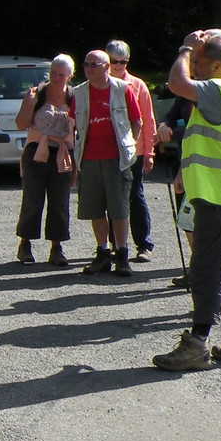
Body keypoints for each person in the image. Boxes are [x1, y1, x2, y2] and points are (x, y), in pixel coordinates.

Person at [152, 32, 221, 371]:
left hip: (219, 196)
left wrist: (184, 47)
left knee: (206, 268)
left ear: (216, 64)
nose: (192, 67)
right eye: (192, 60)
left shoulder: (219, 89)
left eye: (198, 62)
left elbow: (176, 82)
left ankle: (197, 344)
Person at [71, 50, 145, 277]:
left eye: (94, 65)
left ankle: (122, 254)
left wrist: (129, 146)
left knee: (119, 208)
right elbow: (74, 124)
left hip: (117, 159)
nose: (89, 69)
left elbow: (137, 121)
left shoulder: (123, 90)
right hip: (89, 158)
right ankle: (103, 253)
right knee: (95, 208)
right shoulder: (79, 92)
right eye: (86, 65)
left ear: (106, 67)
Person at [13, 55, 76, 267]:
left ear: (70, 76)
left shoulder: (74, 97)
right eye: (53, 74)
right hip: (36, 152)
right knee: (32, 199)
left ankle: (57, 248)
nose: (57, 78)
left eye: (61, 75)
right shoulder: (37, 94)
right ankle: (25, 244)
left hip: (62, 154)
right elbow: (21, 124)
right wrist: (29, 105)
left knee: (60, 203)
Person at [106, 40, 158, 261]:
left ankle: (143, 244)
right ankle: (116, 244)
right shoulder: (100, 85)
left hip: (133, 151)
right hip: (108, 149)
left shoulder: (138, 85)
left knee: (135, 195)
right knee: (111, 197)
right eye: (114, 62)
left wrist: (149, 152)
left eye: (123, 62)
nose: (118, 66)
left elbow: (148, 120)